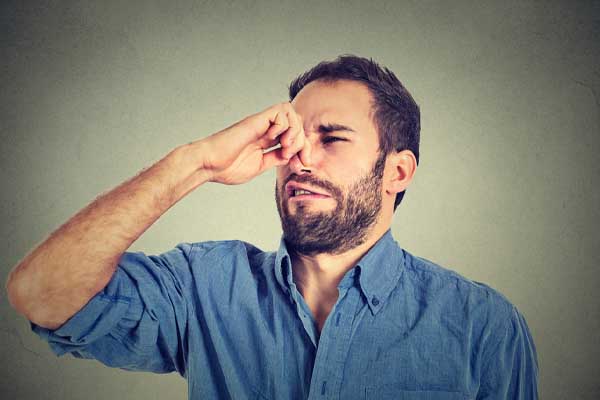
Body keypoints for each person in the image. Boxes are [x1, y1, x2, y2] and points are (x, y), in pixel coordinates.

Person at [6, 54, 538, 399]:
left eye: (331, 138)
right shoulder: (205, 286)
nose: (299, 160)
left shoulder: (482, 328)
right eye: (293, 142)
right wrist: (196, 163)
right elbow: (42, 293)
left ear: (396, 172)